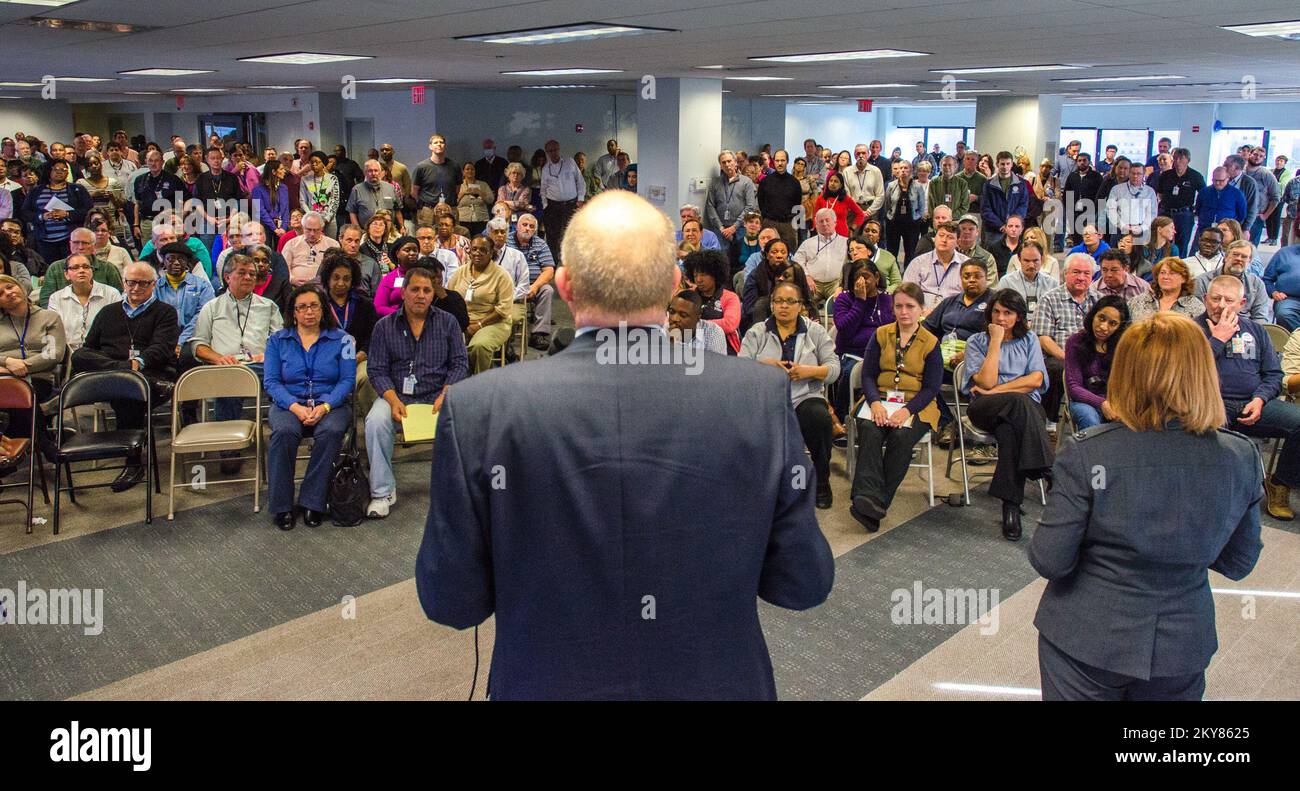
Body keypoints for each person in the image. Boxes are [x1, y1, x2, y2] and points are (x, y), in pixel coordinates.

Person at [415, 190, 833, 699]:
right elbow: (803, 582)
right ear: (675, 283)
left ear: (564, 286)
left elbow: (450, 601)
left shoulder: (479, 408)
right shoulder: (757, 397)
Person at [1029, 312, 1263, 700]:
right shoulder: (1241, 456)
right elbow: (1239, 563)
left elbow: (1050, 559)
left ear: (1126, 373)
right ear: (1205, 373)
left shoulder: (1089, 452)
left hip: (1086, 636)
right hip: (1182, 642)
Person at [363, 266, 468, 519]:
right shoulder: (384, 326)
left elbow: (460, 363)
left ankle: (458, 489)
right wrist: (391, 398)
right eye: (415, 289)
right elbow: (376, 369)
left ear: (433, 294)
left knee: (468, 420)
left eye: (426, 290)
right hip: (397, 395)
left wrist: (447, 393)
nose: (420, 295)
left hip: (438, 395)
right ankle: (382, 492)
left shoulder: (448, 322)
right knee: (375, 421)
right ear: (403, 293)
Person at [1198, 275, 1300, 520]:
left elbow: (1274, 375)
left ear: (1242, 303)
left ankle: (1279, 483)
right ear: (1205, 299)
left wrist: (1260, 399)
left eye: (1229, 300)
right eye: (1215, 298)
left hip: (1253, 403)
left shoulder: (1256, 330)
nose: (1221, 305)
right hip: (1209, 404)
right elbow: (1186, 375)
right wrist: (1217, 340)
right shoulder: (1191, 329)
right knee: (1215, 439)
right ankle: (1212, 499)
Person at [72, 262, 179, 492]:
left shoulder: (165, 312)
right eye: (131, 282)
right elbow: (90, 348)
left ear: (154, 284)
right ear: (124, 283)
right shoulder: (108, 312)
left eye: (143, 283)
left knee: (130, 392)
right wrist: (124, 367)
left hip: (152, 371)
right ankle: (127, 376)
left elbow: (162, 349)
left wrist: (137, 365)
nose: (136, 287)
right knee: (80, 356)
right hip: (115, 375)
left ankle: (132, 462)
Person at [849, 281, 942, 531]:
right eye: (899, 306)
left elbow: (931, 387)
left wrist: (906, 411)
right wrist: (876, 403)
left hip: (916, 405)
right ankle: (867, 499)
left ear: (921, 309)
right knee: (870, 429)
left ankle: (874, 502)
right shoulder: (881, 334)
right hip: (879, 398)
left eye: (910, 306)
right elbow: (868, 375)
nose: (904, 312)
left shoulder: (931, 342)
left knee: (901, 437)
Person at [262, 285, 355, 531]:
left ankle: (314, 501)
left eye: (314, 305)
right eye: (301, 307)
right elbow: (271, 381)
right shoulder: (276, 341)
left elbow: (347, 380)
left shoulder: (343, 339)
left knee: (331, 432)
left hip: (330, 404)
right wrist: (295, 406)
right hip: (288, 403)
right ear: (293, 313)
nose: (308, 312)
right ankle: (282, 506)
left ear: (323, 309)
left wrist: (325, 406)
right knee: (284, 433)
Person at [961, 289, 1052, 540]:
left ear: (1019, 316)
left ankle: (1010, 508)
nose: (1001, 318)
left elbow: (1036, 379)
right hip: (985, 408)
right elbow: (986, 382)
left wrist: (999, 390)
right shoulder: (977, 342)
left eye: (1008, 313)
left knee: (1010, 432)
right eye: (996, 312)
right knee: (1018, 400)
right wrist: (995, 343)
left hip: (1023, 411)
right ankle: (1047, 467)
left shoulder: (1030, 339)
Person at [741, 279, 840, 509]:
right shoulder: (758, 331)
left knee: (818, 417)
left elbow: (833, 368)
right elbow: (741, 366)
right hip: (767, 397)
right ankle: (763, 484)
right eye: (778, 301)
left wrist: (810, 371)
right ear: (772, 304)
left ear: (800, 305)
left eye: (789, 301)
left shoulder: (814, 331)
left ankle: (822, 479)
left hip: (805, 396)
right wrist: (766, 365)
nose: (783, 306)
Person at [0, 274, 65, 454]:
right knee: (11, 393)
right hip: (4, 379)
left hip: (38, 377)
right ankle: (41, 441)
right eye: (1, 293)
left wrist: (25, 366)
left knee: (20, 394)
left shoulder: (49, 317)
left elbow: (54, 354)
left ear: (20, 287)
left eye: (10, 287)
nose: (8, 293)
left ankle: (20, 445)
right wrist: (8, 362)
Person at [1032, 254, 1098, 427]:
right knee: (1055, 368)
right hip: (1060, 356)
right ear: (1065, 274)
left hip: (1094, 356)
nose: (1081, 277)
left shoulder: (1099, 300)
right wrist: (1067, 357)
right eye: (1076, 272)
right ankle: (1049, 422)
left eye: (1086, 273)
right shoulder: (1049, 299)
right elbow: (1043, 338)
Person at [448, 235, 513, 373]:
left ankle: (479, 383)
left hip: (493, 322)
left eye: (483, 250)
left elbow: (503, 309)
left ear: (491, 253)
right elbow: (449, 297)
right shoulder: (461, 272)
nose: (477, 253)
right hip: (462, 322)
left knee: (479, 346)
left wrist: (479, 325)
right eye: (474, 249)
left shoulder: (501, 275)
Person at [1064, 296, 1129, 430]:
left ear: (1120, 327)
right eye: (1101, 318)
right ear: (1093, 315)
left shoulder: (1124, 346)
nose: (1103, 327)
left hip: (1118, 402)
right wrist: (1102, 403)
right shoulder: (1075, 341)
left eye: (1112, 323)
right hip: (1085, 401)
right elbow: (1074, 386)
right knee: (1088, 416)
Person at [47, 253, 121, 351]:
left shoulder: (111, 294)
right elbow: (54, 332)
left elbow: (118, 329)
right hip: (68, 354)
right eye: (75, 267)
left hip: (102, 352)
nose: (82, 270)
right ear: (66, 274)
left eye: (86, 267)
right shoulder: (56, 298)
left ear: (92, 271)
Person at [154, 241, 216, 351]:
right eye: (171, 259)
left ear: (187, 262)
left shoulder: (202, 286)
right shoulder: (155, 287)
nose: (176, 263)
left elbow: (201, 316)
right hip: (162, 339)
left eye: (181, 259)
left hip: (194, 339)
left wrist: (180, 342)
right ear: (163, 262)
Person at [1193, 239, 1270, 322]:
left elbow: (1261, 317)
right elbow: (1197, 315)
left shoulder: (1256, 284)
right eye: (1235, 254)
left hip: (1246, 330)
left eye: (1244, 257)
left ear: (1249, 261)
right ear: (1225, 257)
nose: (1239, 259)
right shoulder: (1202, 281)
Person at [685, 249, 741, 354]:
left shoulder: (730, 297)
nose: (698, 279)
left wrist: (696, 325)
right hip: (691, 345)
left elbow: (729, 324)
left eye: (703, 275)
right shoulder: (688, 295)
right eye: (695, 275)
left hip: (724, 349)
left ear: (715, 274)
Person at [902, 221, 967, 311]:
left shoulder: (966, 265)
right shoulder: (918, 263)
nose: (944, 240)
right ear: (934, 238)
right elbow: (907, 293)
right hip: (922, 314)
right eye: (941, 235)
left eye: (950, 237)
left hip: (953, 315)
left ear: (958, 242)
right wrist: (919, 311)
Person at [791, 208, 849, 305]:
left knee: (843, 301)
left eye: (827, 220)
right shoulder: (807, 243)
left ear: (835, 222)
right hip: (813, 283)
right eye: (821, 221)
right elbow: (797, 260)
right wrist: (806, 276)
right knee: (800, 301)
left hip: (836, 284)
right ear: (816, 225)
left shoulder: (846, 242)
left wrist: (842, 285)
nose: (824, 224)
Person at [1127, 256, 1205, 320]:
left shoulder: (1195, 307)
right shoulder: (1138, 301)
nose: (1165, 277)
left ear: (1184, 278)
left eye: (1172, 273)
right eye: (1162, 273)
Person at [997, 239, 1058, 320]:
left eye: (1035, 260)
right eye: (1026, 261)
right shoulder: (1007, 282)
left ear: (1042, 259)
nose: (1031, 265)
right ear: (1019, 259)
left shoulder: (1052, 283)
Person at [883, 161, 925, 264]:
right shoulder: (891, 186)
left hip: (911, 224)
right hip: (894, 223)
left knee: (910, 251)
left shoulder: (918, 186)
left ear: (911, 170)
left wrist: (917, 218)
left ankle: (908, 273)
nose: (902, 170)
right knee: (892, 251)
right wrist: (889, 217)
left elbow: (921, 206)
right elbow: (887, 204)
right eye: (900, 168)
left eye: (906, 168)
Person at [666, 289, 727, 355]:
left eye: (683, 315)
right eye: (672, 312)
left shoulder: (713, 332)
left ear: (698, 317)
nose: (675, 318)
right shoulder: (662, 331)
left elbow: (716, 364)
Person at [814, 171, 866, 240]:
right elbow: (815, 216)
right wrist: (817, 228)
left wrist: (852, 229)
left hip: (841, 235)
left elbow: (860, 214)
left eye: (836, 181)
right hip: (823, 235)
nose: (832, 183)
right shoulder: (821, 198)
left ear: (841, 185)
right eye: (831, 181)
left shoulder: (846, 199)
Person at [1262, 240, 1300, 331]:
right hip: (1289, 299)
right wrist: (1273, 292)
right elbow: (1267, 279)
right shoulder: (1284, 253)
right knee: (1284, 314)